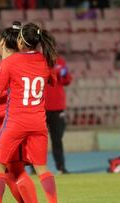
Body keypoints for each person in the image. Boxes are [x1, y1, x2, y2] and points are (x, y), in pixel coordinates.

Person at [0, 23, 58, 203]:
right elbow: (53, 81)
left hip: (16, 122)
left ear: (20, 41)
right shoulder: (45, 61)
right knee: (42, 168)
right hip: (39, 123)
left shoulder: (10, 62)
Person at [45, 44, 73, 174]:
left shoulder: (61, 62)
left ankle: (61, 166)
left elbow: (68, 80)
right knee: (38, 140)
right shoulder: (39, 62)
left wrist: (65, 74)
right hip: (41, 107)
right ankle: (36, 167)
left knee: (57, 138)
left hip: (57, 107)